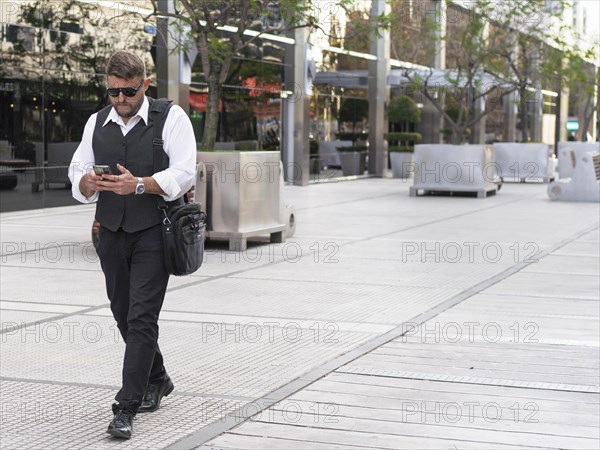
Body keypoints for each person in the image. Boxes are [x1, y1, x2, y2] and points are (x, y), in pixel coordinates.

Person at [69, 50, 197, 439]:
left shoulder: (171, 118)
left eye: (128, 92)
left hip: (154, 232)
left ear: (145, 85)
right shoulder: (97, 121)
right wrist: (86, 183)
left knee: (142, 317)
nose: (120, 100)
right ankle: (157, 377)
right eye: (113, 92)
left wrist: (140, 183)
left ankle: (126, 407)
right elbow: (77, 168)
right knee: (123, 312)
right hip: (110, 231)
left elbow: (186, 172)